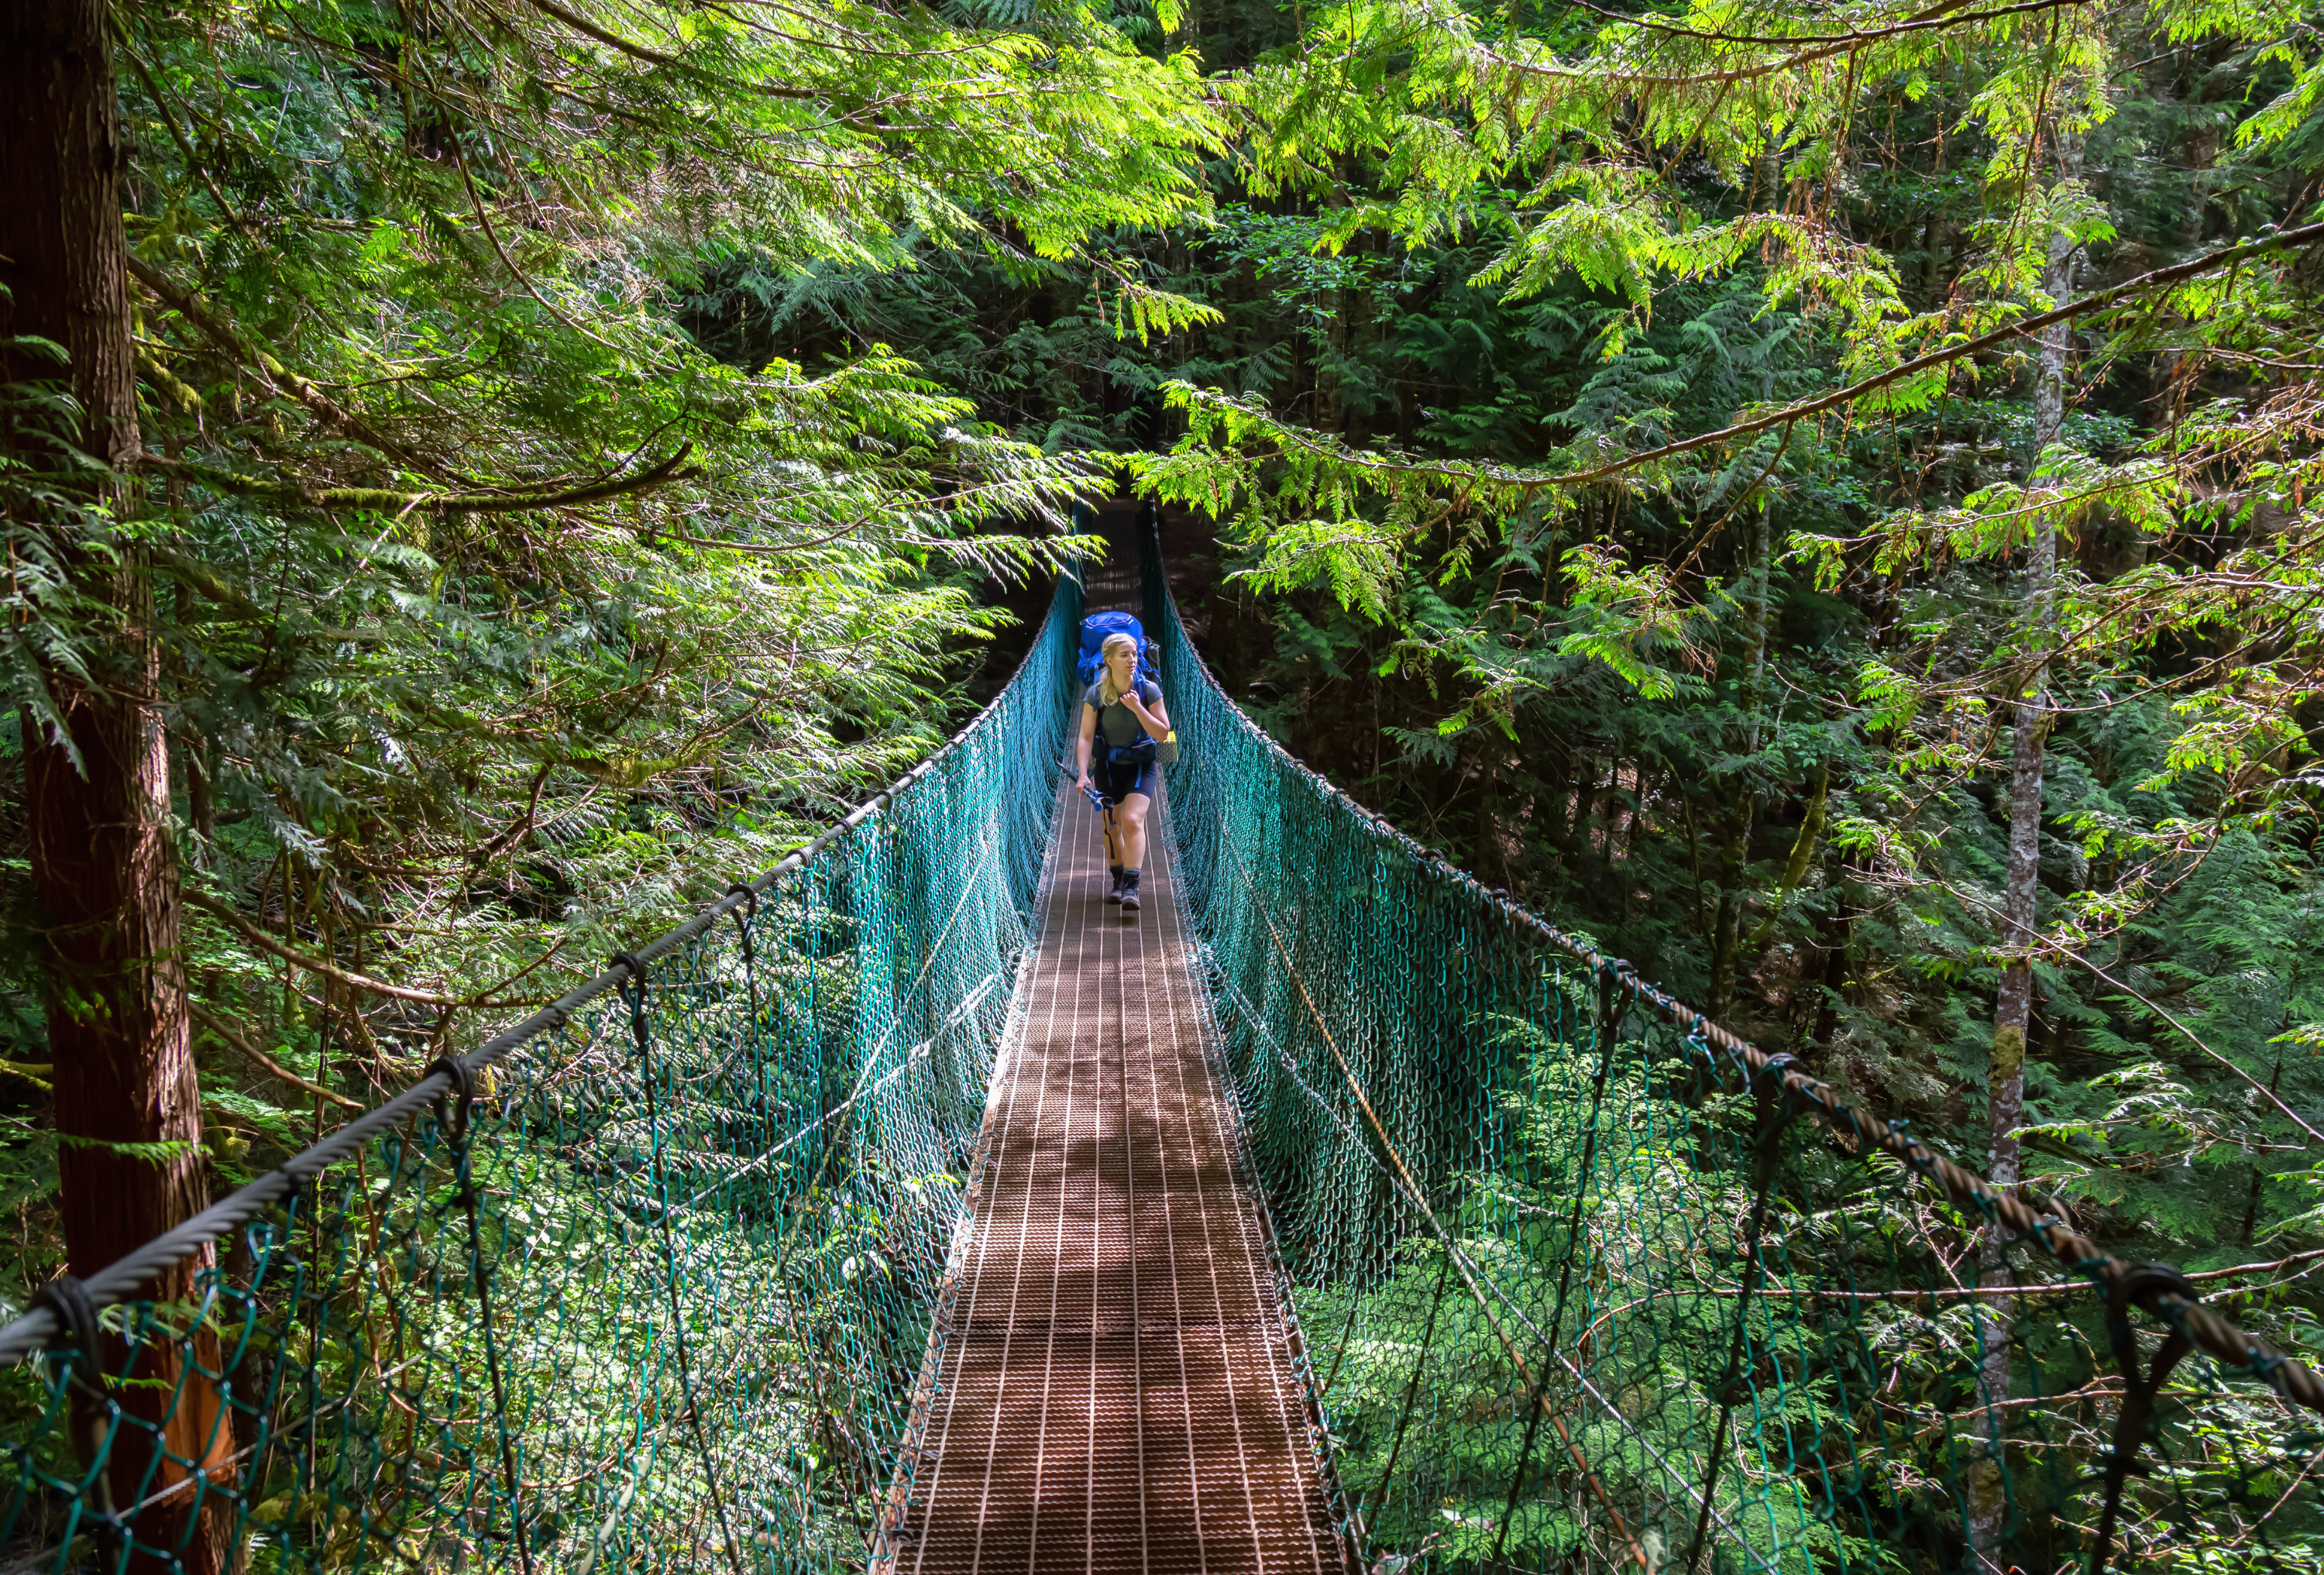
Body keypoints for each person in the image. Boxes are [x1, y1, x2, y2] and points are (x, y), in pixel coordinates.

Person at [1074, 631, 1171, 913]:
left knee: (1132, 819)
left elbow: (1163, 734)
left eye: (1134, 654)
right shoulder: (1096, 694)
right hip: (1108, 765)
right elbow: (1085, 737)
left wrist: (1137, 708)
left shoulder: (1149, 690)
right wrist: (1083, 774)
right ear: (1109, 660)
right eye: (1125, 655)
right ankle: (1117, 881)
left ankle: (1131, 887)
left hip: (1142, 764)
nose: (1132, 660)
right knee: (1111, 824)